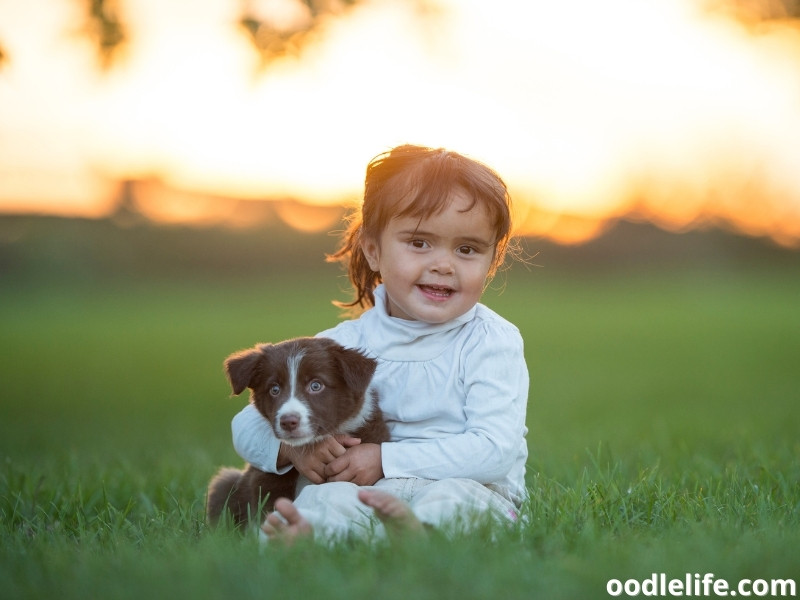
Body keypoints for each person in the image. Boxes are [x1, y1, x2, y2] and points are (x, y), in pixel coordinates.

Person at [231, 144, 529, 544]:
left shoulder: (491, 342)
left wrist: (384, 459)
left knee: (456, 499)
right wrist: (293, 453)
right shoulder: (343, 345)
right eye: (419, 243)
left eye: (467, 249)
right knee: (329, 495)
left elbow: (494, 450)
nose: (444, 264)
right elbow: (246, 425)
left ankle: (422, 534)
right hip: (368, 491)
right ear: (373, 251)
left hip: (471, 485)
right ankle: (307, 537)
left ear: (491, 261)